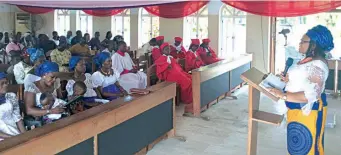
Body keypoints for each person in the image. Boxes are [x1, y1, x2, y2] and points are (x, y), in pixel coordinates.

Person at [268, 25, 332, 155]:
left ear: (314, 45)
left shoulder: (318, 65)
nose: (299, 44)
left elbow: (311, 94)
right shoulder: (307, 60)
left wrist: (283, 94)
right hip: (295, 110)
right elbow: (303, 80)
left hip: (308, 112)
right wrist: (288, 80)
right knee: (296, 147)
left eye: (303, 41)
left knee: (308, 147)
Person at [155, 42, 193, 112]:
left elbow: (176, 66)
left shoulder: (170, 57)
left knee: (190, 78)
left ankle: (190, 97)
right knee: (187, 82)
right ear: (162, 50)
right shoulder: (161, 58)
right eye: (166, 49)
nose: (168, 50)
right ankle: (186, 99)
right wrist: (166, 66)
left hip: (177, 73)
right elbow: (160, 70)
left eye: (169, 49)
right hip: (170, 76)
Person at [0, 72, 26, 140]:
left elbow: (17, 118)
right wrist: (11, 138)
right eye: (2, 83)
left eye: (6, 82)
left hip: (14, 132)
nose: (5, 85)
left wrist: (25, 136)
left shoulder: (11, 96)